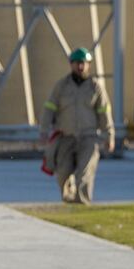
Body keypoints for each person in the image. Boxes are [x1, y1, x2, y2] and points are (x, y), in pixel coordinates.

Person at [40, 47, 114, 204]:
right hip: (66, 137)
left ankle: (82, 203)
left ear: (88, 65)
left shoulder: (95, 87)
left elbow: (104, 112)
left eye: (83, 63)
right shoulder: (61, 86)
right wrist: (44, 129)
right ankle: (68, 199)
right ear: (71, 64)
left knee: (84, 174)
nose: (80, 67)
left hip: (88, 138)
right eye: (77, 63)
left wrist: (109, 135)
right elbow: (49, 108)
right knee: (62, 174)